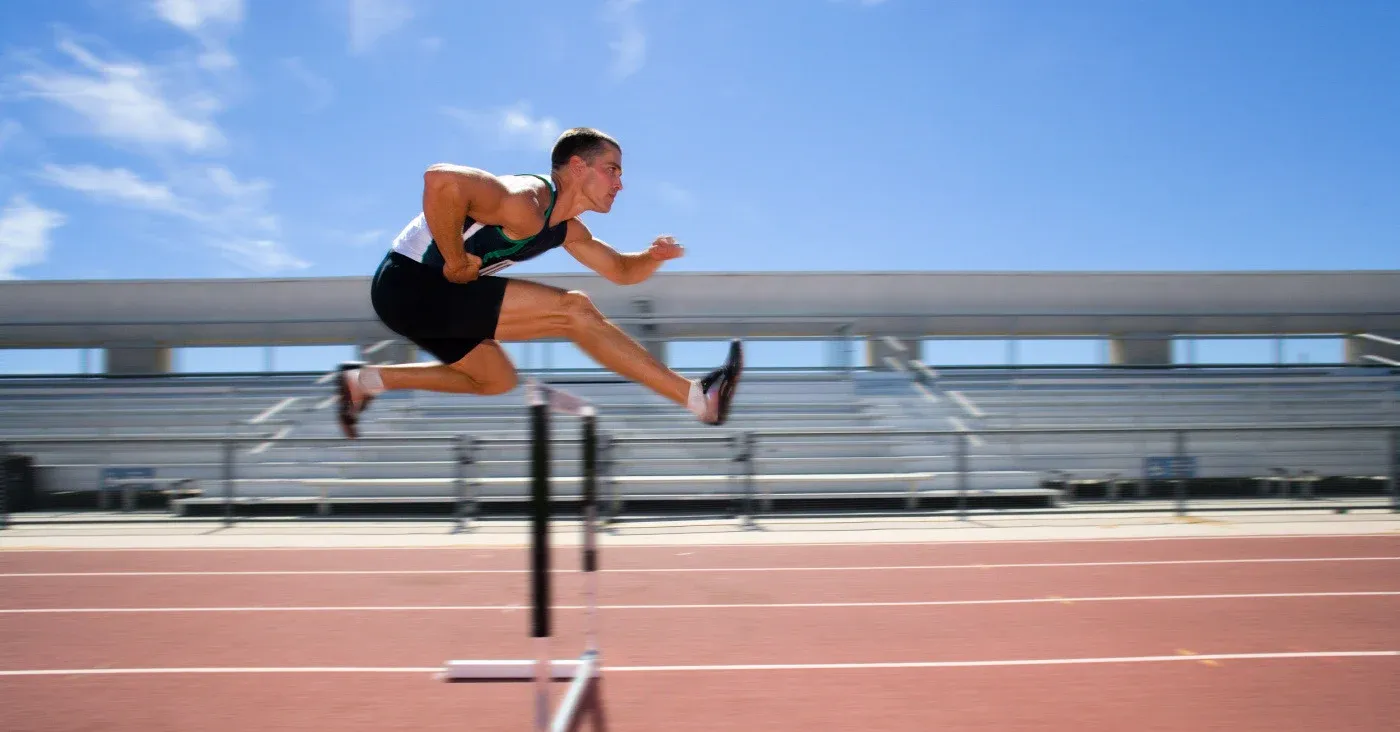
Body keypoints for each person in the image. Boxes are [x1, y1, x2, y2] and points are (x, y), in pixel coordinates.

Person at [334, 126, 743, 438]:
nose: (620, 183)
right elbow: (440, 181)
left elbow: (619, 270)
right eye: (612, 169)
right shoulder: (524, 200)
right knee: (574, 309)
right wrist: (456, 261)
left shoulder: (565, 229)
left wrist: (652, 258)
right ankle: (696, 397)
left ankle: (364, 381)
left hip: (435, 299)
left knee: (496, 379)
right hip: (408, 284)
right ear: (577, 166)